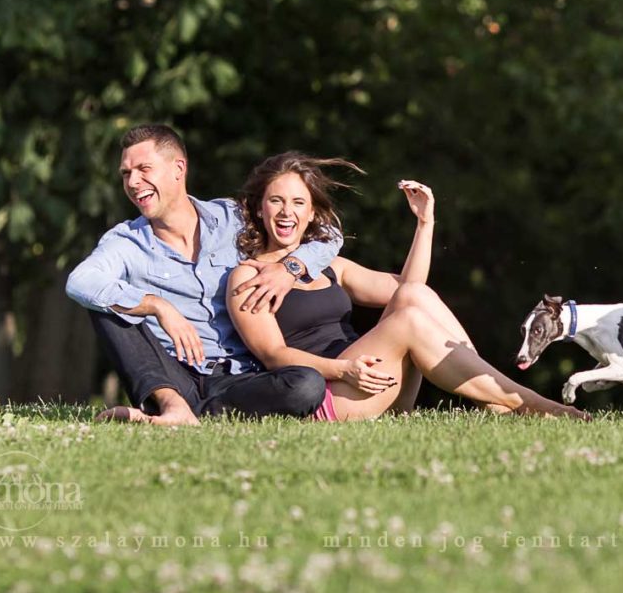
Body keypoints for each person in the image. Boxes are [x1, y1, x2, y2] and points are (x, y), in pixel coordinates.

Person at [226, 151, 589, 421]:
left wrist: (424, 224)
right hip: (331, 393)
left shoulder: (331, 266)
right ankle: (532, 404)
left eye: (298, 203)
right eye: (276, 201)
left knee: (413, 297)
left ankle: (496, 399)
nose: (286, 212)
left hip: (373, 382)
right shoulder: (247, 276)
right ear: (259, 208)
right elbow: (273, 354)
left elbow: (410, 290)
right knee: (407, 320)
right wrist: (344, 369)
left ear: (311, 213)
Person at [65, 125, 341, 426]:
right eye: (126, 173)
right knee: (106, 305)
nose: (133, 182)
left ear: (178, 169)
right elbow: (80, 281)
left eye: (144, 169)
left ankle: (190, 415)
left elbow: (328, 234)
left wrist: (290, 269)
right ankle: (171, 405)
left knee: (307, 384)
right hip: (172, 377)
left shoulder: (233, 218)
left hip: (240, 377)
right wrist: (157, 305)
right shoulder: (127, 242)